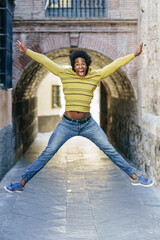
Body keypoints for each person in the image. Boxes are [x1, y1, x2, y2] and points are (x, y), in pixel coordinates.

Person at [4, 39, 153, 193]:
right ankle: (21, 183)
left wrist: (134, 55)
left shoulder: (96, 75)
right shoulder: (64, 73)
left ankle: (135, 177)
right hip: (67, 124)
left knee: (109, 149)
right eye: (77, 64)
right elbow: (45, 60)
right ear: (73, 65)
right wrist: (26, 51)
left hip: (88, 124)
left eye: (83, 63)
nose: (80, 66)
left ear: (87, 64)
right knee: (47, 153)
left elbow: (114, 65)